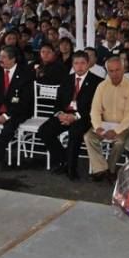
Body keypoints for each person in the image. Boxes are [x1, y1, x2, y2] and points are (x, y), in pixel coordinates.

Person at [38, 51, 102, 180]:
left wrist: (75, 117)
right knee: (44, 130)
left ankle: (71, 168)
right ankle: (64, 160)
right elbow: (58, 101)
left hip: (84, 116)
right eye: (76, 63)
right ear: (72, 64)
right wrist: (60, 114)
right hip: (65, 113)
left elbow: (94, 107)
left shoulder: (97, 82)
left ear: (88, 64)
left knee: (75, 131)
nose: (79, 67)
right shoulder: (66, 79)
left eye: (83, 63)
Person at [84, 56, 129, 182]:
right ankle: (102, 169)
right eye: (111, 71)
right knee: (88, 137)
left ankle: (111, 169)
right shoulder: (102, 86)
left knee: (119, 142)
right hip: (104, 124)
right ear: (107, 71)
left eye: (118, 70)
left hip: (124, 125)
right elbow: (95, 110)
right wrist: (98, 127)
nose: (114, 74)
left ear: (123, 69)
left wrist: (117, 130)